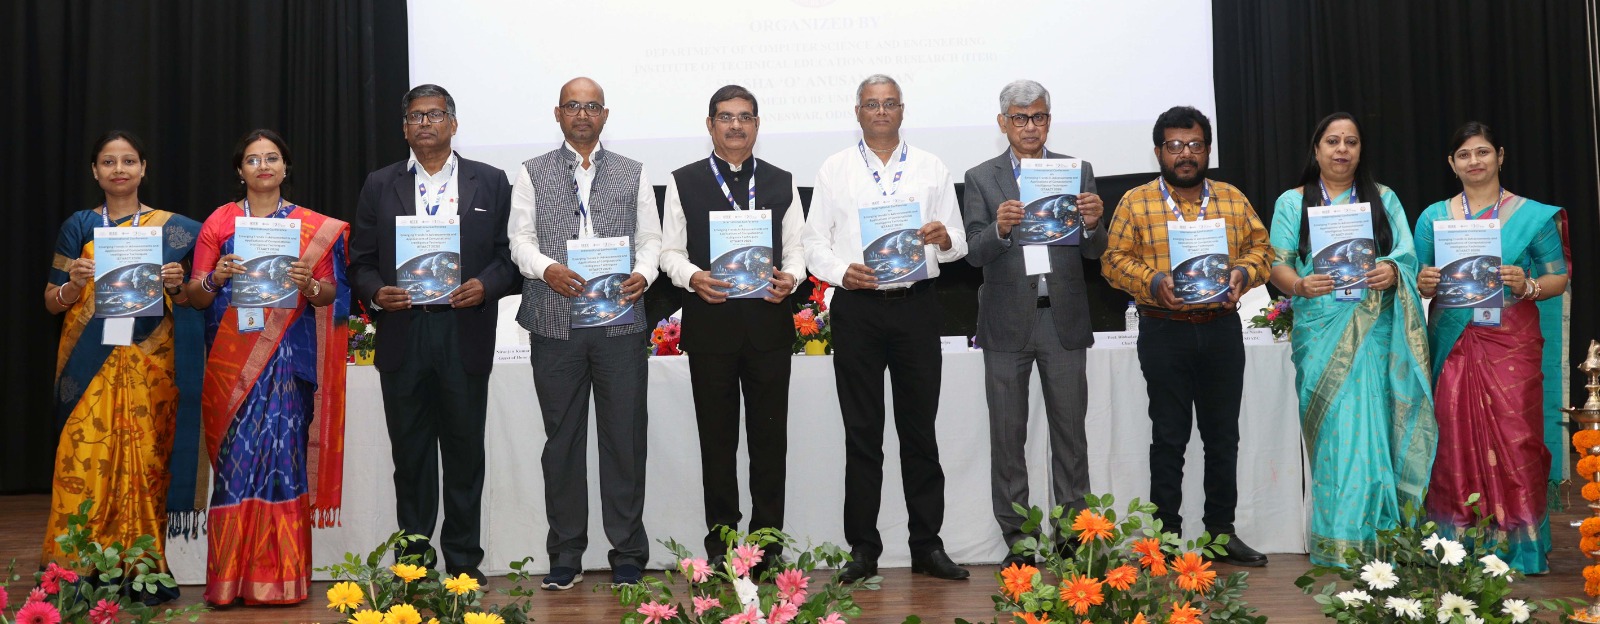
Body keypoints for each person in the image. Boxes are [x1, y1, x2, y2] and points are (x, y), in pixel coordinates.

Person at [802, 74, 970, 582]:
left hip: (916, 307)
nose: (881, 111)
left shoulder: (931, 167)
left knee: (920, 432)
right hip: (859, 308)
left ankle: (928, 546)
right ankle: (863, 549)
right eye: (872, 104)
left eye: (890, 103)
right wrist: (840, 273)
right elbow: (813, 242)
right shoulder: (834, 168)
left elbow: (959, 241)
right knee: (863, 434)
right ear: (857, 111)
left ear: (902, 110)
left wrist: (945, 239)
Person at [349, 84, 518, 583]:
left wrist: (484, 286)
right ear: (404, 128)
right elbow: (360, 262)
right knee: (411, 456)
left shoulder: (490, 181)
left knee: (465, 454)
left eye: (435, 114)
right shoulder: (380, 184)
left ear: (454, 124)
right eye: (416, 116)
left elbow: (509, 257)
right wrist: (377, 292)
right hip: (404, 333)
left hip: (464, 332)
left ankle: (464, 561)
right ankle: (415, 564)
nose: (425, 123)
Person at [1100, 106, 1271, 567]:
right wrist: (1153, 281)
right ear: (1158, 151)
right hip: (1164, 330)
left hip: (1221, 329)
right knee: (1169, 438)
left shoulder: (1232, 199)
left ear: (1207, 150)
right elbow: (1112, 261)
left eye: (1194, 145)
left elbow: (1263, 250)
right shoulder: (1136, 202)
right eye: (1174, 146)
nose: (1185, 154)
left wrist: (1243, 273)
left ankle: (1221, 533)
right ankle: (1164, 540)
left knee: (1223, 438)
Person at [508, 77, 661, 590]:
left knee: (625, 439)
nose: (582, 114)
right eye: (572, 105)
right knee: (563, 442)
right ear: (557, 113)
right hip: (556, 322)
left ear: (605, 114)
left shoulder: (633, 172)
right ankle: (566, 553)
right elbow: (519, 240)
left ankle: (628, 552)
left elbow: (651, 238)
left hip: (620, 321)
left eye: (591, 106)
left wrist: (644, 272)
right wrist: (546, 269)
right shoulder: (531, 171)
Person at [185, 129, 350, 605]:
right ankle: (228, 581)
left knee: (285, 462)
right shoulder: (220, 221)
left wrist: (308, 284)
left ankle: (281, 581)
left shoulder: (309, 226)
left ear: (285, 167)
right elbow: (195, 294)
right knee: (235, 467)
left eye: (272, 158)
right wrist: (215, 278)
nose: (263, 166)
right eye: (253, 159)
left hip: (286, 363)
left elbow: (330, 293)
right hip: (231, 364)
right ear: (240, 170)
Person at [1265, 112, 1435, 566]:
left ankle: (1383, 537)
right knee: (1337, 435)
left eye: (1351, 142)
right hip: (1320, 329)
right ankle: (1338, 539)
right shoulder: (1292, 202)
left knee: (1376, 426)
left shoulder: (1384, 198)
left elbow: (1407, 255)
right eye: (1333, 141)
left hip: (1375, 331)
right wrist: (1299, 285)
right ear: (1316, 149)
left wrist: (1392, 270)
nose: (1342, 149)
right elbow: (1277, 264)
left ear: (1361, 150)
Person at [43, 131, 203, 604]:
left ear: (143, 169)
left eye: (128, 161)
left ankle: (142, 569)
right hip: (88, 364)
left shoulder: (174, 231)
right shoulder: (79, 226)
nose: (119, 169)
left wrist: (176, 284)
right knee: (81, 460)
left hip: (150, 364)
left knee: (146, 462)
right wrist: (73, 285)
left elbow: (194, 299)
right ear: (95, 171)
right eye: (109, 162)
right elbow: (51, 301)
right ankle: (76, 571)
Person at [659, 85, 806, 570]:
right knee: (717, 445)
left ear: (757, 124)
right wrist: (692, 277)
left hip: (768, 329)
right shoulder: (683, 181)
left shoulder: (782, 180)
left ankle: (768, 547)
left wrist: (793, 277)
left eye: (745, 117)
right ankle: (721, 546)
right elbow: (669, 252)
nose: (736, 125)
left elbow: (797, 248)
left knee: (769, 444)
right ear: (710, 125)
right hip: (711, 330)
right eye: (726, 117)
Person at [961, 80, 1105, 568]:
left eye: (1038, 117)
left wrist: (1093, 224)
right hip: (1006, 323)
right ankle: (1020, 539)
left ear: (1049, 120)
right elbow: (972, 252)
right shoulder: (981, 178)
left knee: (1071, 435)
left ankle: (1073, 536)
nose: (1030, 126)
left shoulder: (1076, 171)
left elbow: (1095, 251)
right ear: (1003, 123)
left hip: (1062, 319)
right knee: (1008, 437)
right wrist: (999, 228)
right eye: (1020, 118)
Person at [1416, 121, 1570, 574]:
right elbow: (1420, 278)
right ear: (1451, 164)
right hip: (1454, 343)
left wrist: (1527, 284)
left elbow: (1558, 278)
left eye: (1482, 152)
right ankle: (1454, 546)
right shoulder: (1434, 217)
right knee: (1453, 439)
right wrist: (1425, 281)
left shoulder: (1531, 215)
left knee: (1516, 438)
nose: (1474, 161)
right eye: (1464, 154)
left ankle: (1520, 546)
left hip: (1511, 344)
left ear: (1499, 155)